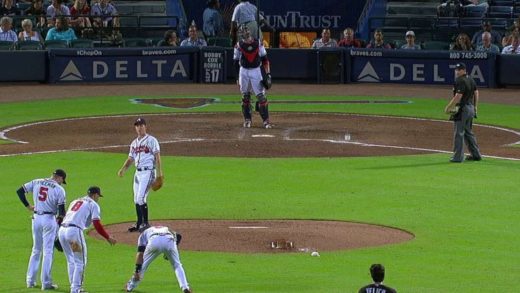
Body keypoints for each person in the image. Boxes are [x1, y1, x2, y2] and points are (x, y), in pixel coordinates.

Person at [58, 186, 117, 293]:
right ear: (95, 195)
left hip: (62, 231)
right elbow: (96, 223)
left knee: (71, 260)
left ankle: (74, 286)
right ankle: (76, 289)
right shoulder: (93, 204)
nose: (98, 198)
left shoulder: (75, 201)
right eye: (98, 196)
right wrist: (107, 237)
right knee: (80, 262)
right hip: (73, 233)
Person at [16, 169, 67, 290]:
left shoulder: (37, 181)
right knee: (48, 251)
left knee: (36, 249)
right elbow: (62, 213)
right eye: (62, 180)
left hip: (36, 218)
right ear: (59, 177)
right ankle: (46, 283)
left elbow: (19, 191)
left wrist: (28, 206)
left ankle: (30, 281)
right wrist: (57, 229)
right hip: (49, 219)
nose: (61, 183)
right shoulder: (59, 189)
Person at [118, 117, 163, 232]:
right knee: (136, 199)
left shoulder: (152, 140)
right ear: (135, 128)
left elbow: (157, 157)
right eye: (137, 126)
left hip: (148, 172)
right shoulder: (134, 143)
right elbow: (130, 158)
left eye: (141, 125)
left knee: (140, 198)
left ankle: (146, 223)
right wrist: (123, 169)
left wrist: (159, 173)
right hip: (137, 173)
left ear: (145, 126)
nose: (139, 128)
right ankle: (139, 223)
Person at [125, 226, 192, 293]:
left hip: (154, 241)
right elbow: (179, 236)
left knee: (143, 265)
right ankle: (185, 287)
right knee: (177, 265)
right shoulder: (165, 228)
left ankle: (130, 287)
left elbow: (140, 254)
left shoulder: (143, 235)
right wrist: (169, 253)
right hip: (169, 239)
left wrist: (137, 271)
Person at [233, 24, 272, 129]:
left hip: (256, 71)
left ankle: (266, 121)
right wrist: (237, 77)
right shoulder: (238, 45)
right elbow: (236, 62)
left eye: (246, 30)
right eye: (243, 31)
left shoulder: (258, 43)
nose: (245, 32)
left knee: (261, 97)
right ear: (241, 34)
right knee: (245, 96)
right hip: (243, 71)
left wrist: (268, 74)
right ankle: (247, 120)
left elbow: (265, 59)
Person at [444, 62, 482, 163]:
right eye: (456, 69)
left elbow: (458, 96)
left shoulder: (460, 80)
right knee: (468, 132)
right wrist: (475, 107)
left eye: (459, 69)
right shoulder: (470, 79)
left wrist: (448, 107)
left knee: (459, 133)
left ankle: (458, 157)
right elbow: (476, 92)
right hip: (470, 108)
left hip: (462, 109)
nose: (457, 71)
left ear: (464, 70)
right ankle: (476, 154)